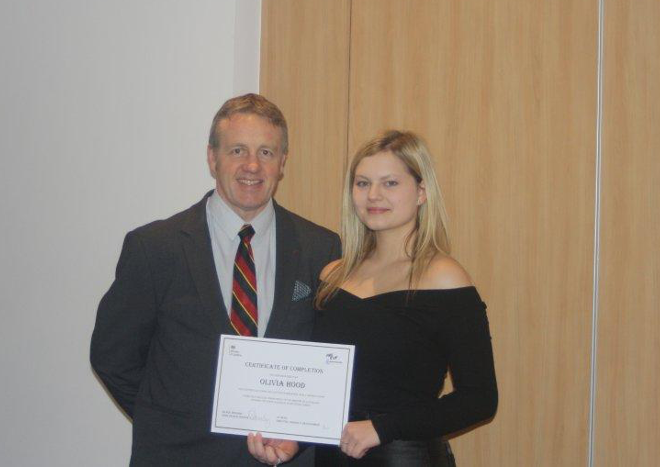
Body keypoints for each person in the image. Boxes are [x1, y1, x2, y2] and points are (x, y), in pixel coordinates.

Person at [90, 94, 341, 467]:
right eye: (237, 150)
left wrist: (298, 433)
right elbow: (113, 356)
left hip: (284, 460)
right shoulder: (155, 248)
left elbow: (329, 359)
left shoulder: (321, 247)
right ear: (212, 157)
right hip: (179, 456)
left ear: (283, 162)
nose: (252, 166)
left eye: (267, 153)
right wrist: (168, 420)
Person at [250, 130, 498, 466]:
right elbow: (328, 392)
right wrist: (295, 438)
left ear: (422, 191)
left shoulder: (444, 277)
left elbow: (479, 399)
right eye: (362, 183)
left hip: (404, 457)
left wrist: (382, 428)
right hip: (331, 457)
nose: (374, 195)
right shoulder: (333, 276)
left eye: (390, 183)